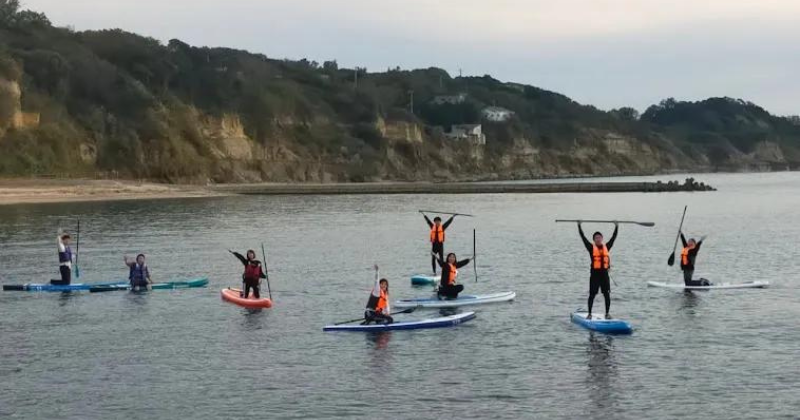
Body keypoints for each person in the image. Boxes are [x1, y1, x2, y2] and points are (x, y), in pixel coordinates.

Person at [578, 222, 618, 319]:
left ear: (602, 238)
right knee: (592, 294)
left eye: (600, 237)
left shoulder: (607, 247)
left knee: (607, 294)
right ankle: (589, 314)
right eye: (596, 238)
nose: (598, 239)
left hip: (604, 275)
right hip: (595, 276)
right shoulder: (591, 248)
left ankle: (607, 313)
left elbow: (613, 238)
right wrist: (579, 226)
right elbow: (583, 238)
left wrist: (616, 226)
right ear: (594, 240)